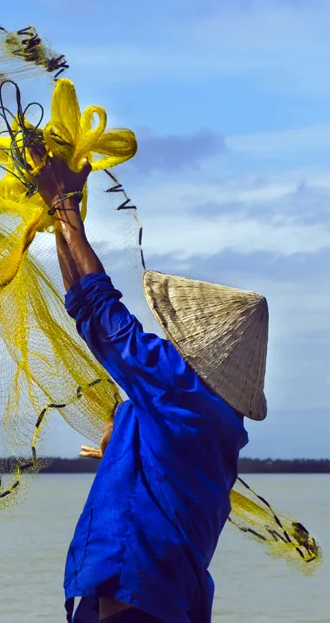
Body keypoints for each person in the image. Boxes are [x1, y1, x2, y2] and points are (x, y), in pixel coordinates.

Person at [31, 145, 271, 623]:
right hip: (167, 606)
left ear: (195, 348)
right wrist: (57, 215)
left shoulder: (179, 385)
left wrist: (64, 205)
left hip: (133, 603)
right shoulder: (221, 422)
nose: (164, 337)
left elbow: (101, 311)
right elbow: (85, 306)